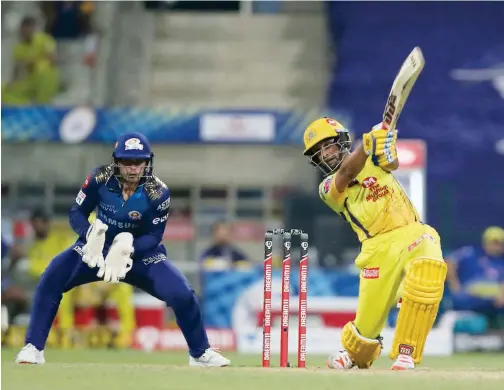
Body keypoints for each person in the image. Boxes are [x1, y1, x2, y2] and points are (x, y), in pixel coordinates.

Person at [15, 132, 230, 367]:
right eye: (127, 161)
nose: (133, 168)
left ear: (147, 162)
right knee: (52, 276)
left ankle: (200, 353)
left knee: (182, 294)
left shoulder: (158, 193)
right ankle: (33, 348)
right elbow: (76, 213)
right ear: (116, 161)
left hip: (138, 255)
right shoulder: (100, 178)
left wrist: (128, 249)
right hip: (97, 247)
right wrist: (89, 235)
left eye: (139, 162)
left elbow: (154, 236)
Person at [303, 118, 447, 370]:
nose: (326, 154)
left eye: (328, 145)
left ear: (341, 141)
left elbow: (392, 162)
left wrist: (382, 143)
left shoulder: (373, 158)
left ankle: (406, 352)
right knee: (365, 333)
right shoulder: (326, 188)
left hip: (411, 232)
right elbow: (347, 172)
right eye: (319, 151)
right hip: (376, 249)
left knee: (428, 267)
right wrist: (366, 145)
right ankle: (353, 351)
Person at [2, 16, 59, 105]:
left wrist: (32, 61)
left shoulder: (44, 40)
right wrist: (12, 84)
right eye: (22, 31)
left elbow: (53, 59)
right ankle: (22, 107)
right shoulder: (18, 47)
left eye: (26, 30)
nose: (23, 33)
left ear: (33, 29)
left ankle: (42, 104)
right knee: (4, 89)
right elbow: (19, 69)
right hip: (28, 80)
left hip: (44, 79)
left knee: (42, 68)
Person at [446, 226, 504, 314]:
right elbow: (449, 261)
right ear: (485, 241)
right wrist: (454, 285)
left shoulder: (501, 262)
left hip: (492, 299)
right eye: (494, 242)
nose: (497, 247)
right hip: (469, 295)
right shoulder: (471, 252)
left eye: (500, 243)